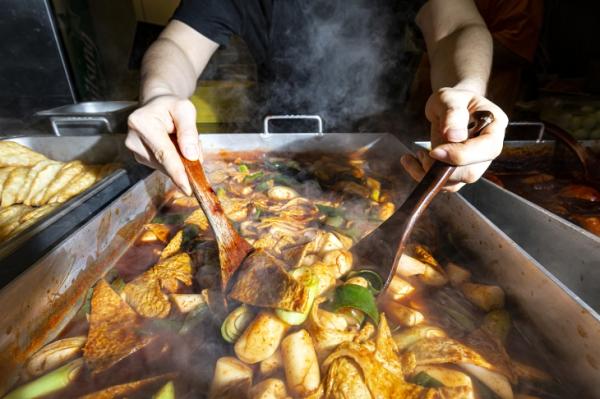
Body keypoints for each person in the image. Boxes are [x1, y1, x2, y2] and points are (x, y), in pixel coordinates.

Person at [126, 0, 508, 195]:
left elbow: (458, 24)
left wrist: (467, 91)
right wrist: (160, 94)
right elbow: (178, 42)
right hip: (274, 148)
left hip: (386, 153)